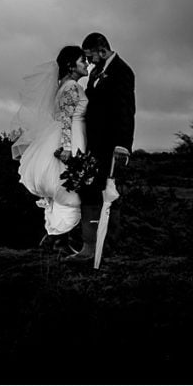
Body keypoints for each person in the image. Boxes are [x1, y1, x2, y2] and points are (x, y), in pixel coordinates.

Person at [12, 46, 90, 253]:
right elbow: (66, 119)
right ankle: (58, 240)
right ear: (70, 65)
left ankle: (57, 240)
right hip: (71, 137)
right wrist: (67, 147)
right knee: (69, 189)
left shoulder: (62, 85)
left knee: (63, 189)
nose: (87, 64)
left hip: (65, 135)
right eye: (83, 60)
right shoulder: (72, 86)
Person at [65, 32, 135, 263]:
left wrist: (123, 146)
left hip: (110, 146)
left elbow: (127, 111)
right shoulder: (96, 71)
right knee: (89, 192)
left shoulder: (122, 72)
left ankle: (106, 248)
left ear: (101, 50)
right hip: (92, 145)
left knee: (106, 195)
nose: (89, 61)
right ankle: (89, 247)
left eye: (90, 56)